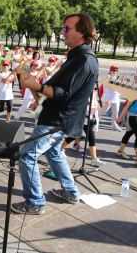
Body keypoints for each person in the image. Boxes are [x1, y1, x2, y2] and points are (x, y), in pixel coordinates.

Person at [11, 13, 99, 215]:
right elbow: (54, 89)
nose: (63, 32)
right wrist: (34, 86)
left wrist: (37, 85)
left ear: (81, 32)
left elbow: (63, 94)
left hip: (57, 120)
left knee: (27, 155)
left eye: (67, 28)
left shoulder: (84, 60)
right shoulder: (76, 57)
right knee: (54, 153)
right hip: (59, 118)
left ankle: (35, 202)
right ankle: (70, 192)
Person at [102, 65, 123, 131]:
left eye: (116, 71)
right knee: (103, 111)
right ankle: (95, 122)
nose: (114, 72)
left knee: (115, 113)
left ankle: (114, 125)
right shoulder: (108, 77)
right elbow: (104, 85)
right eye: (113, 70)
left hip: (116, 98)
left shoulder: (118, 78)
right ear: (110, 71)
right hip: (108, 98)